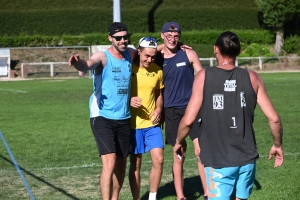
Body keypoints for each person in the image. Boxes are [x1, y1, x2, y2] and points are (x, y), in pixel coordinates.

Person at [174, 31, 284, 200]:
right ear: (238, 51)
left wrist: (178, 141)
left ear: (215, 49)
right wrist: (277, 144)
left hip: (217, 159)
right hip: (247, 159)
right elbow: (274, 118)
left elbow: (188, 120)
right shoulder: (253, 77)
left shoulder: (203, 76)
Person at [68, 22, 136, 200]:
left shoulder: (130, 53)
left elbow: (148, 51)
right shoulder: (103, 57)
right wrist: (77, 63)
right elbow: (87, 64)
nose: (123, 40)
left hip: (123, 116)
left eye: (125, 37)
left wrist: (171, 46)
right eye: (118, 38)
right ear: (110, 38)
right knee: (110, 162)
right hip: (102, 116)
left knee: (121, 163)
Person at [155, 22, 208, 200]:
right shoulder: (157, 57)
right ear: (162, 35)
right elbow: (143, 51)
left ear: (180, 36)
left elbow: (202, 77)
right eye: (168, 35)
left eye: (176, 35)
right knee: (179, 153)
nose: (173, 38)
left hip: (192, 109)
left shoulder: (189, 54)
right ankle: (180, 196)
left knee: (201, 151)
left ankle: (208, 193)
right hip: (171, 112)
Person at [128, 37, 164, 200]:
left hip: (152, 123)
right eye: (147, 56)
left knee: (159, 159)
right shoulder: (129, 69)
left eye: (153, 56)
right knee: (135, 165)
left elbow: (159, 94)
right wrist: (129, 100)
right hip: (132, 125)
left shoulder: (158, 71)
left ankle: (152, 197)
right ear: (139, 52)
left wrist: (158, 108)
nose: (150, 59)